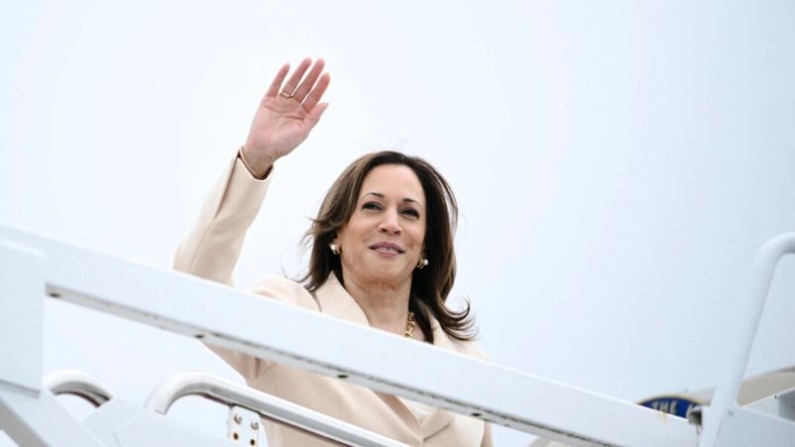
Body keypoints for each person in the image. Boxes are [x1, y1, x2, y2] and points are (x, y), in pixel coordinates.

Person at [174, 58, 493, 447]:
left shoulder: (469, 361)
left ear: (425, 245)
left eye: (409, 213)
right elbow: (196, 289)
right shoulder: (289, 317)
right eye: (372, 206)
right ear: (336, 234)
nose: (391, 223)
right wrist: (256, 159)